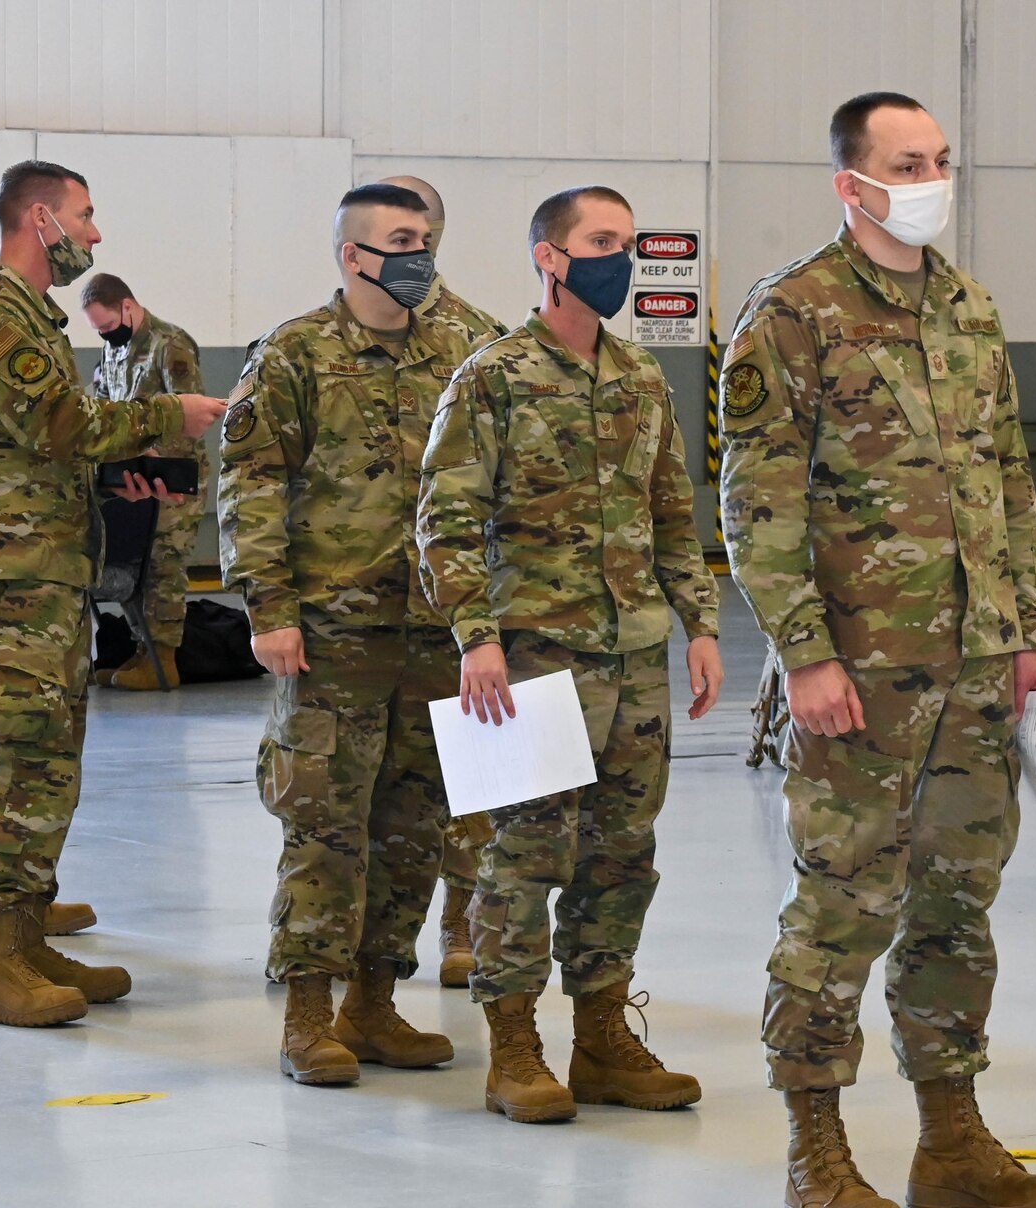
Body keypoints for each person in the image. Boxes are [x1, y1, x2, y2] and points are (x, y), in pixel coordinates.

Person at [718, 91, 1036, 1208]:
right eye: (905, 163)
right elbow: (756, 501)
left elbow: (1007, 479)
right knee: (837, 902)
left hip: (974, 670)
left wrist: (1023, 632)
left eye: (939, 159)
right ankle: (813, 1151)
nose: (929, 177)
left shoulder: (968, 307)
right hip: (859, 674)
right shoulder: (794, 311)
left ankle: (950, 1137)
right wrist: (803, 653)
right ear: (851, 184)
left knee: (955, 907)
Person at [419, 184, 722, 1125]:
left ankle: (601, 1036)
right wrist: (476, 636)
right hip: (531, 661)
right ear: (550, 256)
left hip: (633, 655)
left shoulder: (638, 378)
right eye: (600, 241)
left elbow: (673, 511)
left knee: (623, 853)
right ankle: (513, 1045)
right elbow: (447, 517)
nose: (619, 259)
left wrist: (700, 622)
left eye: (627, 243)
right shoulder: (493, 376)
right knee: (524, 851)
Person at [0, 160, 226, 1025]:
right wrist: (173, 416)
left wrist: (118, 483)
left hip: (49, 571)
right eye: (85, 218)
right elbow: (60, 423)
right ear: (40, 218)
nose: (94, 237)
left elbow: (39, 452)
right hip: (9, 578)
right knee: (18, 761)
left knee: (50, 764)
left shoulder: (35, 323)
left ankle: (23, 941)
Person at [219, 183, 477, 1086]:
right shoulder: (295, 353)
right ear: (352, 254)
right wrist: (269, 608)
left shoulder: (467, 344)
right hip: (332, 635)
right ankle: (306, 1015)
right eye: (402, 238)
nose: (420, 253)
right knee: (326, 826)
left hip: (437, 633)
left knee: (414, 826)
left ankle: (373, 1004)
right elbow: (250, 482)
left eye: (428, 237)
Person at [376, 173, 506, 990]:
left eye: (420, 231)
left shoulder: (481, 339)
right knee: (355, 788)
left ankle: (466, 926)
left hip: (458, 604)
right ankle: (345, 941)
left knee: (475, 780)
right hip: (357, 599)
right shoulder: (312, 341)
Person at [82, 273, 207, 690]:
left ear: (128, 308)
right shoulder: (113, 351)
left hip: (172, 477)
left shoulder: (170, 345)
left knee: (163, 565)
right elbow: (100, 408)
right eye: (98, 330)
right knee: (134, 562)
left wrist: (153, 451)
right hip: (131, 478)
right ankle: (139, 650)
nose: (105, 334)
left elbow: (189, 416)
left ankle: (162, 658)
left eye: (108, 325)